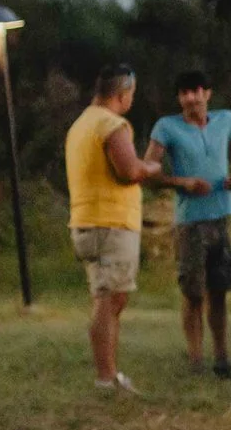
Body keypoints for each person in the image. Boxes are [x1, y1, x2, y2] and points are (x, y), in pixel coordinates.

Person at [64, 64, 163, 393]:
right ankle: (106, 377)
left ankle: (109, 373)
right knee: (111, 300)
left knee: (106, 297)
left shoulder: (81, 124)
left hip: (84, 221)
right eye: (131, 94)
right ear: (123, 94)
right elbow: (128, 170)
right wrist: (149, 167)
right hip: (111, 224)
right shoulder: (112, 125)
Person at [144, 69, 231, 378]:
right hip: (191, 221)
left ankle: (221, 354)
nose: (191, 97)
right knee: (193, 292)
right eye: (185, 92)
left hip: (220, 215)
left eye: (197, 91)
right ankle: (195, 358)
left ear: (207, 94)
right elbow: (149, 173)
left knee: (219, 290)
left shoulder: (226, 120)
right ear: (179, 98)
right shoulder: (167, 127)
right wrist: (182, 182)